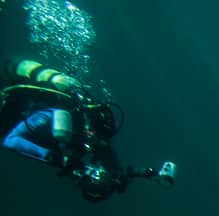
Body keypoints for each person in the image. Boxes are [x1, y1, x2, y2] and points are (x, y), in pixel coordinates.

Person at [1, 58, 176, 201]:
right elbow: (11, 140)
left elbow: (116, 170)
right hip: (16, 103)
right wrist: (50, 156)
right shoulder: (55, 116)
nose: (95, 139)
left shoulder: (97, 140)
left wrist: (147, 174)